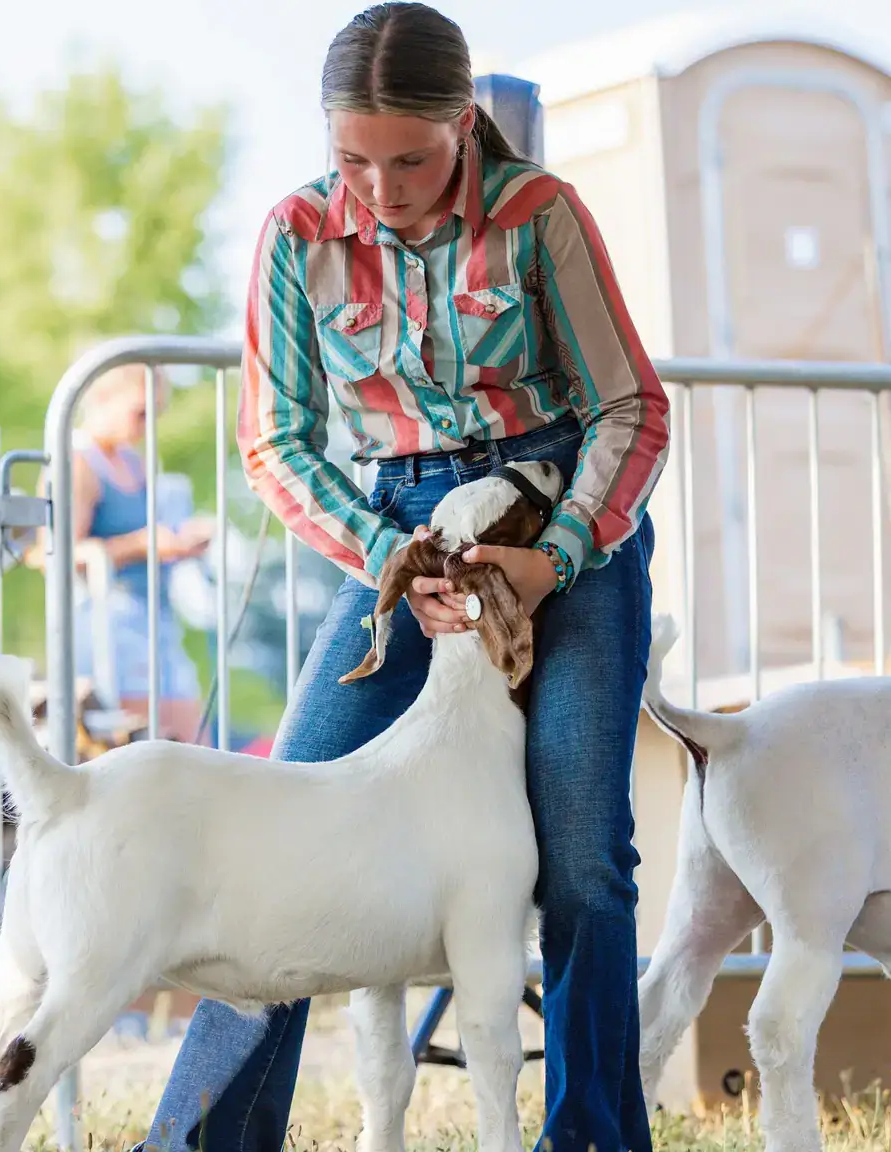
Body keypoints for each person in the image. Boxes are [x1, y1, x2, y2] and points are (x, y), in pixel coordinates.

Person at [142, 5, 670, 1151]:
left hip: (558, 516)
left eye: (411, 159)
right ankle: (201, 1141)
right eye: (351, 160)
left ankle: (588, 1138)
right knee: (283, 812)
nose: (379, 189)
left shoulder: (540, 217)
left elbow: (631, 407)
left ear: (462, 123)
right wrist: (392, 560)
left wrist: (554, 557)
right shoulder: (294, 235)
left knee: (580, 850)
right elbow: (275, 442)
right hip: (397, 528)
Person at [68, 363, 212, 743]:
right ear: (103, 399)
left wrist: (180, 541)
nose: (146, 425)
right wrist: (139, 545)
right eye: (140, 412)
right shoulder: (78, 462)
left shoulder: (134, 460)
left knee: (196, 746)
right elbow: (54, 553)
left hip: (159, 623)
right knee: (137, 749)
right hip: (110, 627)